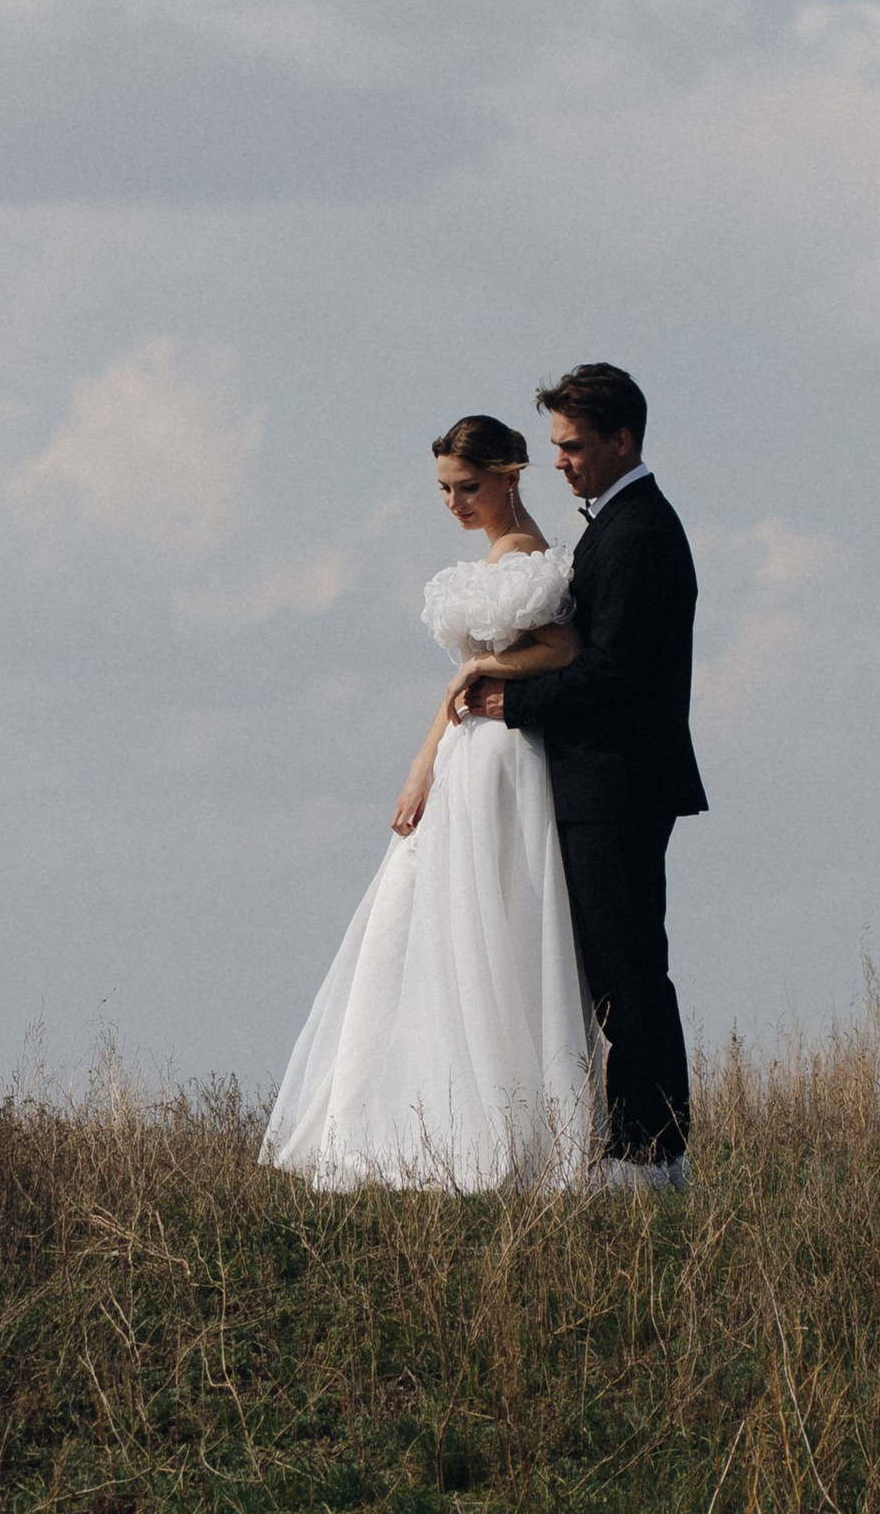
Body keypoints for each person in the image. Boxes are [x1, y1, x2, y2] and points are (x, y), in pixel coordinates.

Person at [261, 416, 599, 1190]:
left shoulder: (526, 559)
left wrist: (479, 664)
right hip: (464, 750)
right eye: (445, 490)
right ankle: (417, 1115)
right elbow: (464, 687)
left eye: (467, 487)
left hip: (503, 756)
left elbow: (563, 650)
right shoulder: (494, 556)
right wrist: (423, 764)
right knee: (417, 918)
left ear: (511, 475)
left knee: (486, 918)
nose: (453, 503)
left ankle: (494, 1126)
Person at [458, 362, 705, 1188]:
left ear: (621, 439)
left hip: (618, 784)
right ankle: (641, 1146)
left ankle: (650, 1154)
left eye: (571, 445)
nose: (557, 460)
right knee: (613, 969)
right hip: (604, 783)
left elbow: (615, 673)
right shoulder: (619, 525)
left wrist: (508, 703)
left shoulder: (639, 532)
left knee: (627, 969)